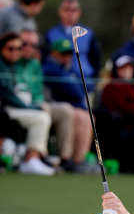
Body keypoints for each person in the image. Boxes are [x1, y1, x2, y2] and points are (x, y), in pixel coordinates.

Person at [15, 29, 76, 171]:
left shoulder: (35, 64)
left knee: (65, 110)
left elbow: (38, 92)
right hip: (18, 104)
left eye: (34, 45)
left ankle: (64, 158)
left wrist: (36, 102)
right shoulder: (12, 62)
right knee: (45, 108)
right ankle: (42, 155)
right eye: (25, 44)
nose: (30, 48)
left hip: (34, 102)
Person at [0, 32, 53, 175]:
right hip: (6, 108)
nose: (15, 51)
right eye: (10, 48)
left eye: (18, 48)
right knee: (41, 118)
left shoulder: (11, 64)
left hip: (9, 108)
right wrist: (32, 107)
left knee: (43, 115)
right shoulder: (2, 65)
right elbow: (7, 94)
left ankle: (37, 156)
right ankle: (31, 159)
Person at [42, 38, 98, 173]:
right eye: (63, 53)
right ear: (53, 53)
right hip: (52, 104)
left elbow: (82, 88)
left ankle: (81, 158)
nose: (67, 57)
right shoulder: (51, 68)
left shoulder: (65, 69)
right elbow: (75, 91)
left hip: (65, 103)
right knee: (80, 116)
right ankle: (75, 159)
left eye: (68, 54)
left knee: (88, 116)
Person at [45, 0, 101, 92]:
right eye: (66, 10)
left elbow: (95, 59)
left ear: (79, 12)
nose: (70, 13)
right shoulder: (51, 33)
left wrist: (93, 81)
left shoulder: (88, 33)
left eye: (74, 10)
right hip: (59, 87)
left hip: (85, 85)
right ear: (60, 11)